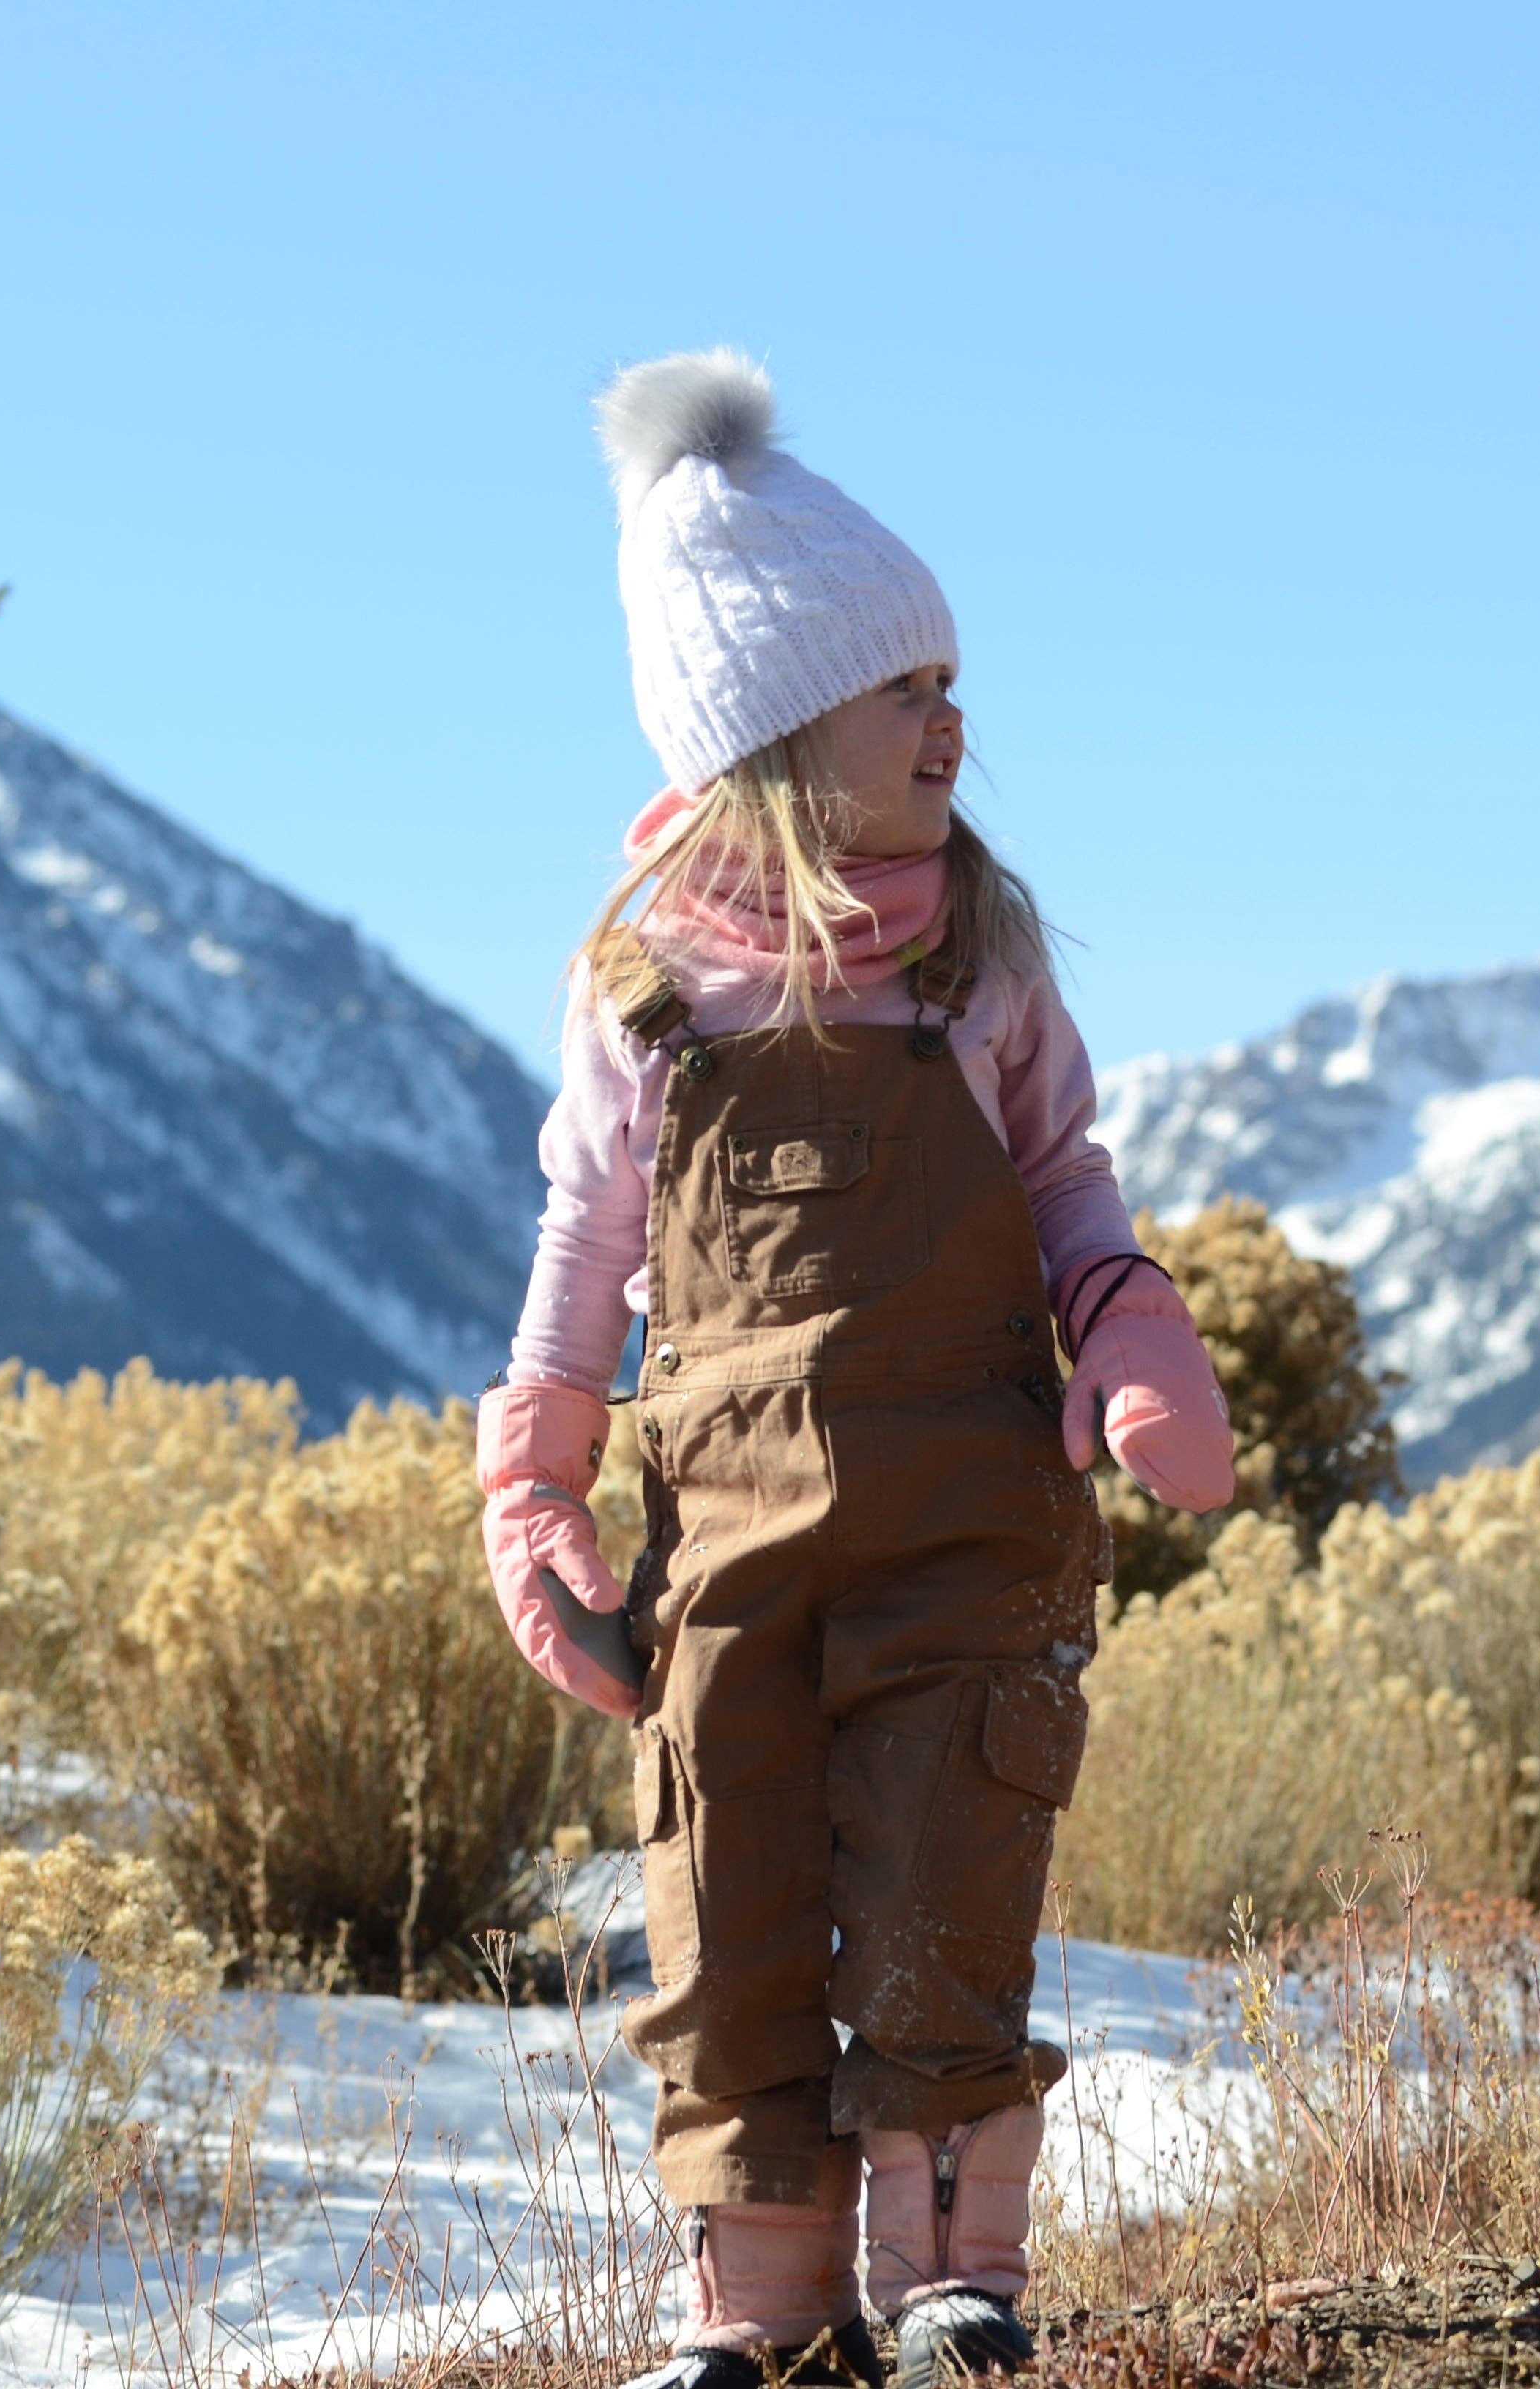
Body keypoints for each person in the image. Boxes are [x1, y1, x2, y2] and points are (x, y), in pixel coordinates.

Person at [477, 350, 1235, 2389]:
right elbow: (586, 1243)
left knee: (942, 1886)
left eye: (946, 683)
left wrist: (1137, 1339)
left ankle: (949, 2282)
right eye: (905, 690)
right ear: (775, 731)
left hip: (971, 1524)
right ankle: (756, 2314)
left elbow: (1068, 1179)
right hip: (722, 1549)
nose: (951, 721)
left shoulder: (981, 959)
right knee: (720, 1905)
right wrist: (533, 1482)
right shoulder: (641, 989)